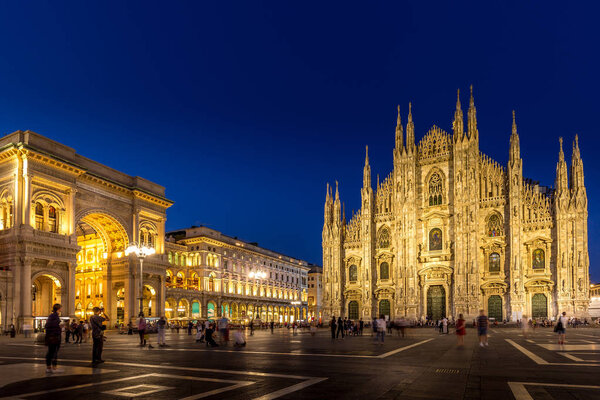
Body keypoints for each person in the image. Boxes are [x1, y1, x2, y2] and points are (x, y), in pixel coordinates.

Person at [44, 303, 63, 373]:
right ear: (58, 309)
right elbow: (51, 326)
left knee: (51, 352)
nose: (61, 309)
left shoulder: (51, 316)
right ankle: (53, 368)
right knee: (53, 352)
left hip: (51, 336)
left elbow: (48, 325)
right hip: (54, 337)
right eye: (60, 308)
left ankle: (49, 367)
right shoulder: (54, 316)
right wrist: (60, 326)